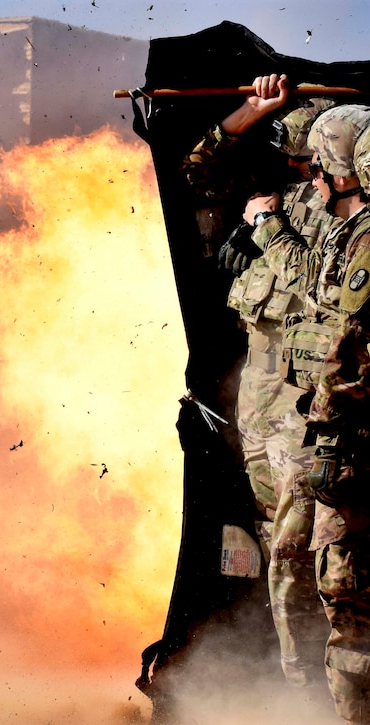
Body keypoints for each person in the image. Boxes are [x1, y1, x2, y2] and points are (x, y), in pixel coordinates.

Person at [182, 74, 335, 700]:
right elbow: (197, 170)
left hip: (311, 426)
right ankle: (299, 689)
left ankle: (321, 691)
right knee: (278, 560)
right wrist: (252, 108)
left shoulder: (343, 223)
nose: (300, 167)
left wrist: (271, 226)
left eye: (308, 157)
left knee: (322, 567)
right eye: (296, 156)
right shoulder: (270, 200)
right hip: (261, 423)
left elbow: (321, 295)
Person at [303, 102, 370, 723]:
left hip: (356, 451)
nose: (312, 174)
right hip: (345, 443)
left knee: (349, 611)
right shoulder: (341, 231)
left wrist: (327, 428)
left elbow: (347, 352)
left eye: (320, 162)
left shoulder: (367, 239)